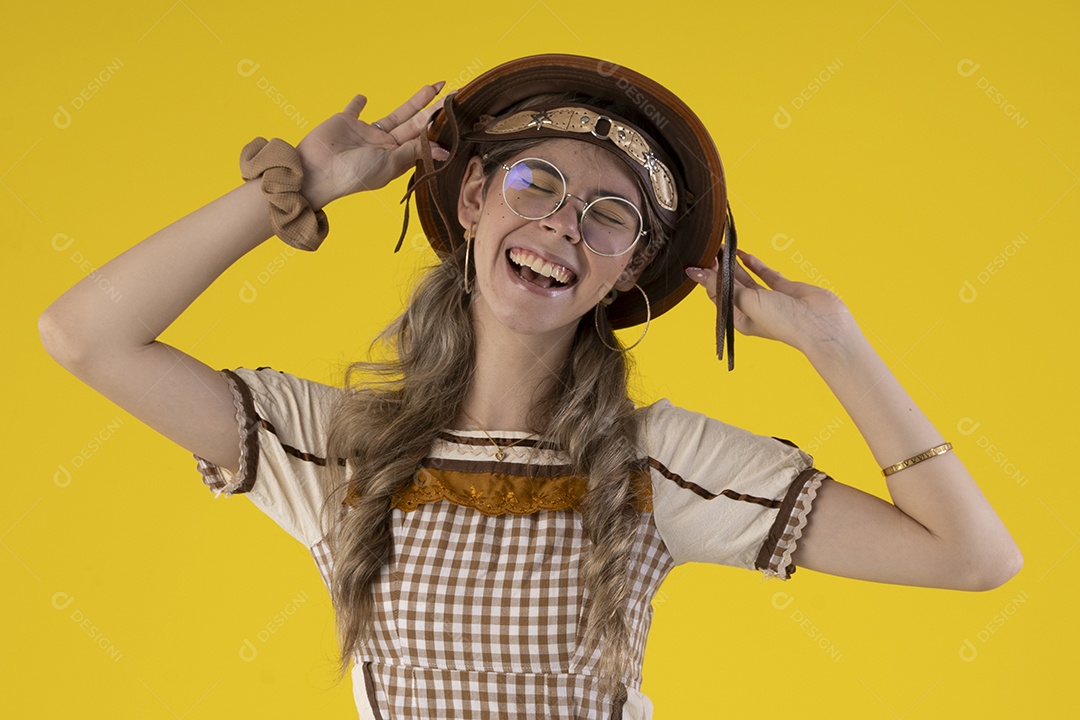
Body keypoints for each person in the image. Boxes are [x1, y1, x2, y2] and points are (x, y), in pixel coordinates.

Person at [39, 54, 1022, 719]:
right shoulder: (336, 444)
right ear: (472, 200)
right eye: (535, 187)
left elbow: (971, 557)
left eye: (607, 218)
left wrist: (833, 342)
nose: (563, 229)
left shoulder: (659, 462)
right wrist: (297, 183)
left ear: (627, 271)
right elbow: (84, 335)